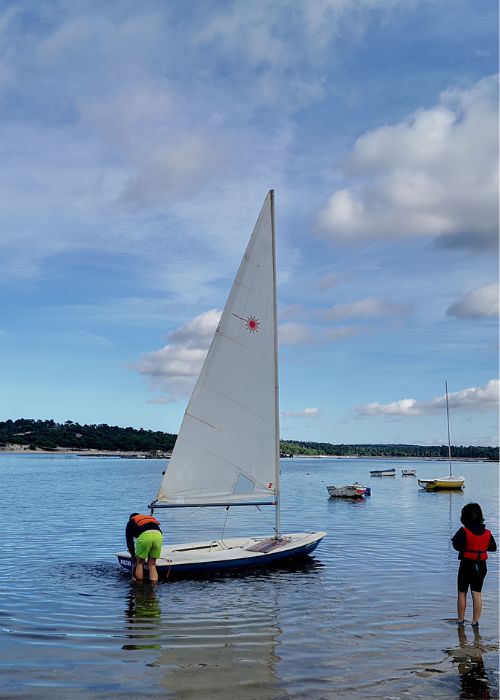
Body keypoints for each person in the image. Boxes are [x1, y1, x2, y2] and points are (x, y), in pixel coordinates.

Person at [452, 503, 496, 627]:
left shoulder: (463, 531)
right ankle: (475, 622)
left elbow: (455, 545)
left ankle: (460, 620)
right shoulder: (487, 532)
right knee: (477, 593)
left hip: (466, 565)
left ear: (464, 517)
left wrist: (466, 548)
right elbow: (493, 548)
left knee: (462, 593)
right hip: (481, 566)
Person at [126, 512, 163, 583]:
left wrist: (133, 556)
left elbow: (129, 541)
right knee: (152, 564)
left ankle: (139, 584)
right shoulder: (148, 519)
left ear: (131, 518)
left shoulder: (131, 522)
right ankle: (154, 584)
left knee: (140, 563)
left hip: (145, 536)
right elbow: (159, 532)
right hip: (158, 536)